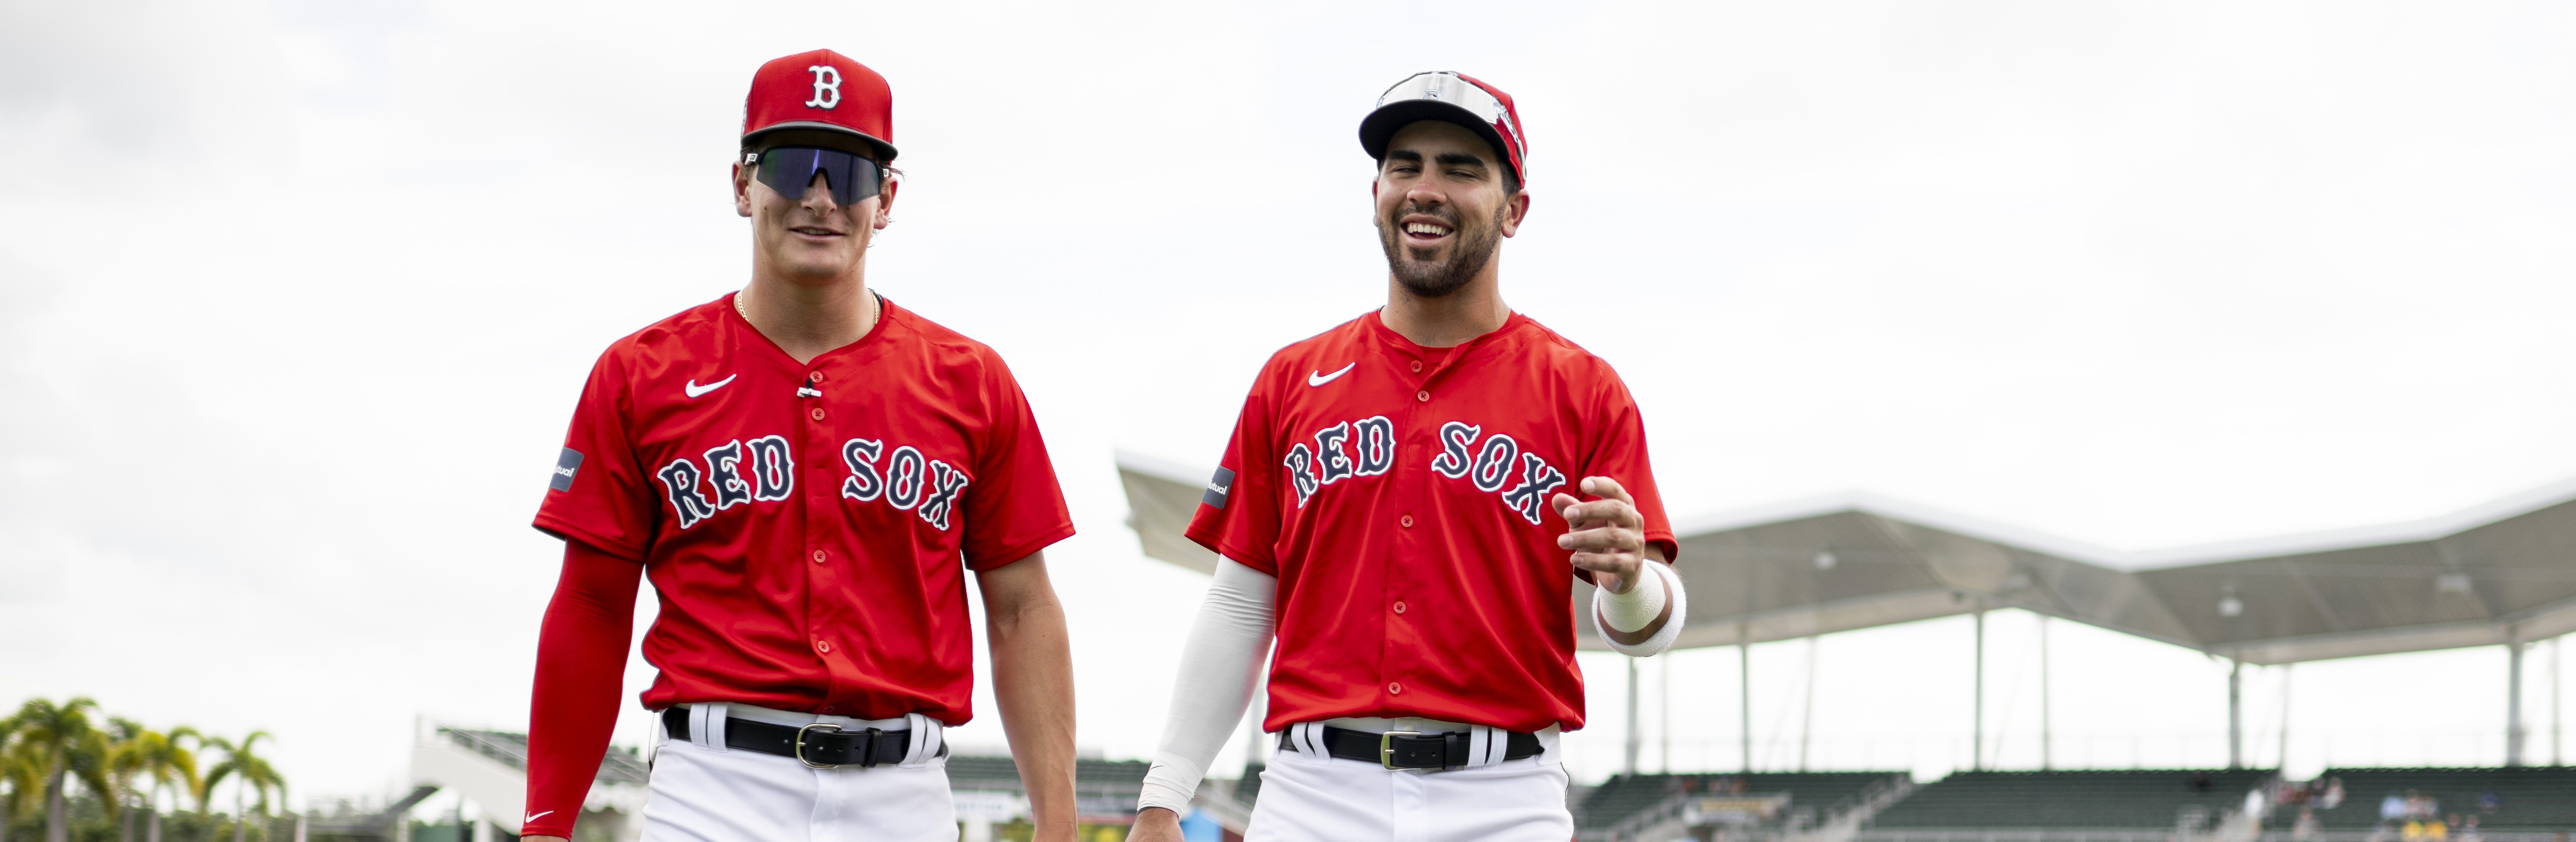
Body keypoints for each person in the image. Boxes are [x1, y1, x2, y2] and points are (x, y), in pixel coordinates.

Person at [516, 49, 1081, 842]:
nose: (820, 197)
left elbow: (1022, 609)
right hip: (714, 788)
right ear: (742, 186)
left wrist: (1059, 824)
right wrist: (547, 823)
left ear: (886, 199)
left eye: (848, 172)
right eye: (791, 165)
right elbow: (592, 604)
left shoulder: (971, 380)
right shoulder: (640, 373)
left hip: (905, 792)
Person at [1127, 71, 1689, 842]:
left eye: (1460, 169)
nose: (1425, 189)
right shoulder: (1291, 378)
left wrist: (1627, 580)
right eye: (1405, 165)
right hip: (1312, 794)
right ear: (1376, 194)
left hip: (1504, 798)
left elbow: (1649, 628)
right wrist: (1165, 793)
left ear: (1514, 210)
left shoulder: (1583, 388)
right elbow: (1240, 603)